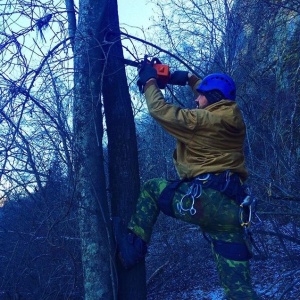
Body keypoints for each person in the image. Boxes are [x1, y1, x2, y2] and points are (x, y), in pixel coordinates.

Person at [113, 63, 260, 299]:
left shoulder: (201, 121)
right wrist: (186, 79)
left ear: (211, 97)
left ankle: (133, 247)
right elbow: (212, 93)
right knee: (238, 290)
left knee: (152, 188)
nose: (196, 99)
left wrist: (150, 82)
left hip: (207, 201)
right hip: (232, 210)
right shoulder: (233, 117)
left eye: (200, 96)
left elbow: (160, 111)